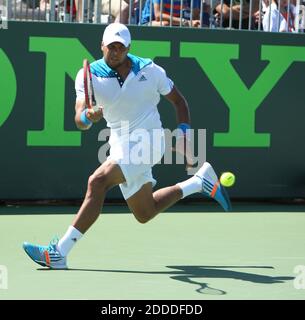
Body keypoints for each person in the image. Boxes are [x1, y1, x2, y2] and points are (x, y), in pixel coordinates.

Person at [23, 23, 231, 269]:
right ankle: (199, 182)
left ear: (128, 48)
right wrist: (88, 116)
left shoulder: (150, 70)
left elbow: (180, 102)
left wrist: (184, 133)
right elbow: (79, 121)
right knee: (145, 212)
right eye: (111, 46)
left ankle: (59, 253)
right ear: (102, 46)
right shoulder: (88, 75)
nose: (115, 52)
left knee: (97, 181)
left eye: (120, 47)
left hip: (150, 141)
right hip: (120, 143)